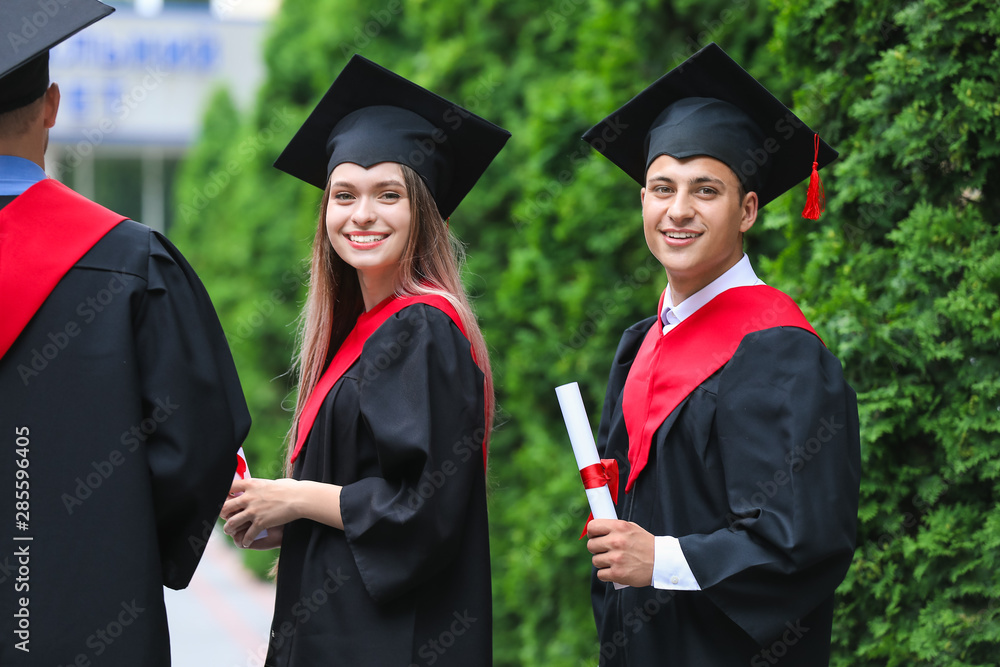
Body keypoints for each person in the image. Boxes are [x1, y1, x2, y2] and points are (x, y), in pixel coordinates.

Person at [220, 55, 509, 666]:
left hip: (386, 642)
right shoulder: (363, 334)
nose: (362, 215)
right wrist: (277, 518)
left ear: (423, 211)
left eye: (388, 194)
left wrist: (296, 498)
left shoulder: (422, 329)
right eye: (344, 194)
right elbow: (360, 494)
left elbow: (424, 506)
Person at [580, 43, 861, 666]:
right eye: (661, 187)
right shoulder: (638, 344)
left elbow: (804, 542)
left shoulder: (780, 353)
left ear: (748, 209)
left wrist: (664, 560)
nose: (678, 210)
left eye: (705, 189)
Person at [0, 2, 251, 665]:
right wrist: (123, 539)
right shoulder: (133, 262)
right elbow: (199, 442)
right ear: (52, 106)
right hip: (90, 617)